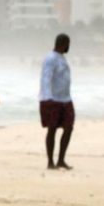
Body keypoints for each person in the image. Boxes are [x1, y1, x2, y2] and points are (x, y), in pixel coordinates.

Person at [40, 33, 74, 170]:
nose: (69, 47)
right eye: (68, 44)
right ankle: (50, 162)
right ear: (64, 43)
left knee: (68, 127)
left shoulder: (62, 58)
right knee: (52, 129)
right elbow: (46, 78)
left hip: (66, 99)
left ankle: (61, 160)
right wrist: (47, 97)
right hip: (53, 99)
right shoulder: (50, 59)